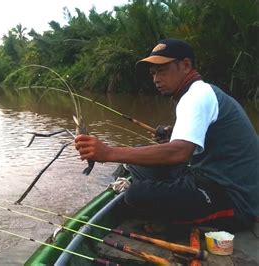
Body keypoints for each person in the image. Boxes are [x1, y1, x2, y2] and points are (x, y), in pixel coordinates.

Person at [75, 38, 258, 231]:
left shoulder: (196, 97)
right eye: (153, 73)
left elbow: (179, 153)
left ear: (186, 65)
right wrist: (173, 136)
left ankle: (171, 218)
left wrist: (109, 152)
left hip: (235, 201)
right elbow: (188, 143)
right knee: (137, 161)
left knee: (136, 194)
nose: (156, 79)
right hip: (207, 176)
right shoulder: (201, 92)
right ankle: (166, 206)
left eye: (162, 71)